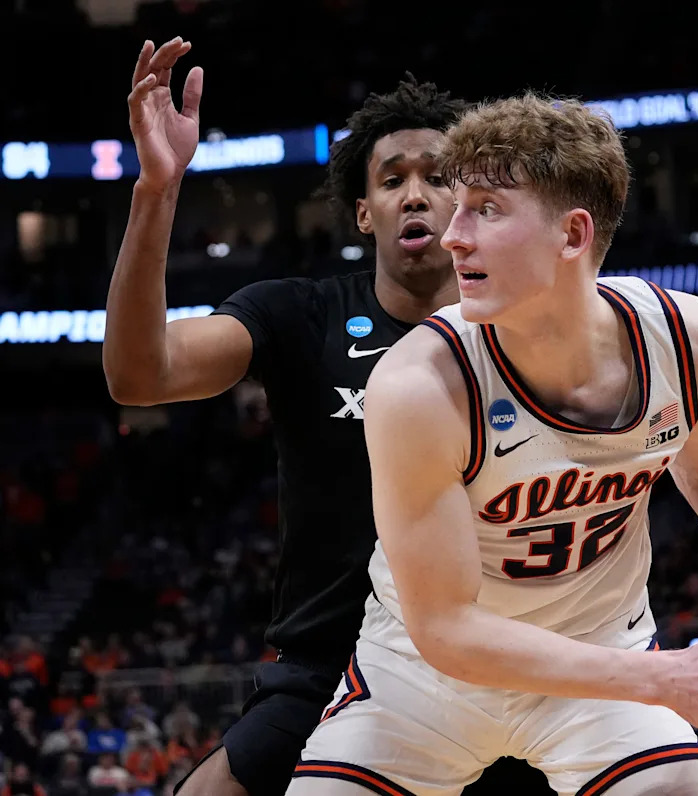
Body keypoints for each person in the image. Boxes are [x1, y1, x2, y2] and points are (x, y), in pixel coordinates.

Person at [288, 94, 698, 795]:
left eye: (485, 209)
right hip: (422, 678)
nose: (453, 236)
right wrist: (669, 677)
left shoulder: (692, 341)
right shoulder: (419, 384)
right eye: (460, 209)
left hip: (601, 655)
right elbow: (445, 628)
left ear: (572, 236)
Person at [104, 36, 548, 796]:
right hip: (327, 665)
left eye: (438, 178)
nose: (414, 194)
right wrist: (156, 191)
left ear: (471, 205)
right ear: (363, 213)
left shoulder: (533, 331)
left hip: (496, 665)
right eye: (392, 180)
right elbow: (141, 376)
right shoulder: (298, 314)